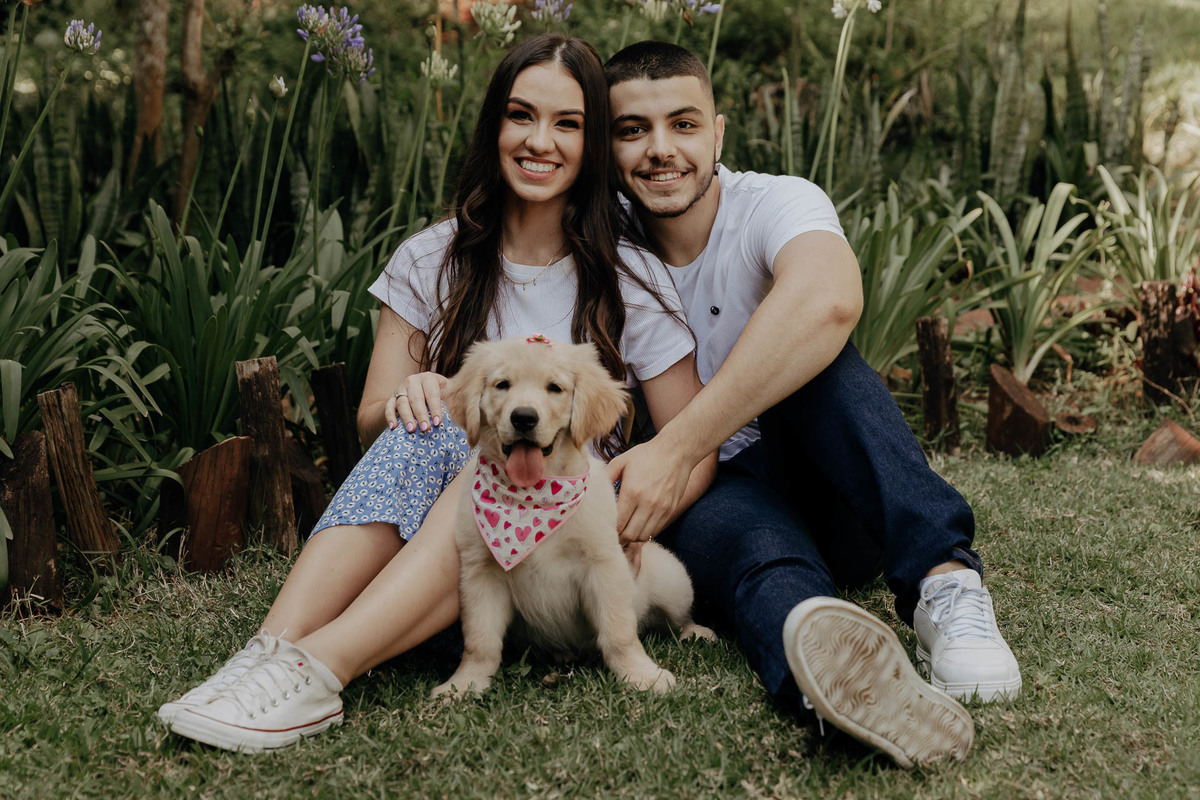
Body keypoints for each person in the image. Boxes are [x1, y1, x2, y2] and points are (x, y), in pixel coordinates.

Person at [156, 34, 715, 753]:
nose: (540, 141)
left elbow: (693, 444)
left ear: (593, 142)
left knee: (487, 459)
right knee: (442, 430)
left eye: (568, 124)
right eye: (522, 115)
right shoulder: (430, 258)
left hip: (562, 543)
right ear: (495, 126)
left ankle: (322, 670)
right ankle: (267, 655)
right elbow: (370, 424)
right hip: (448, 560)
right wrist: (411, 396)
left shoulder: (627, 276)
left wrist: (628, 507)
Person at [601, 41, 1021, 767]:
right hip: (717, 501)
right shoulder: (600, 241)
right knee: (759, 559)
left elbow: (829, 300)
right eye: (632, 129)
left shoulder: (777, 201)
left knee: (818, 362)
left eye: (684, 124)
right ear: (607, 145)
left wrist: (675, 450)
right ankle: (831, 676)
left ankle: (944, 584)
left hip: (834, 492)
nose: (660, 150)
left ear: (719, 132)